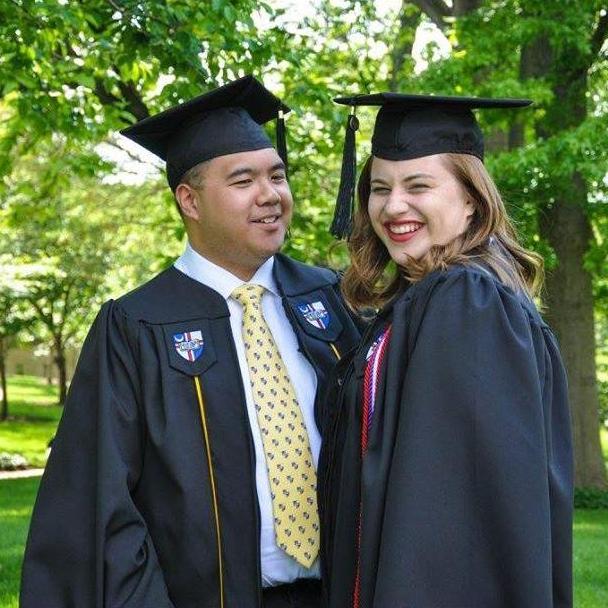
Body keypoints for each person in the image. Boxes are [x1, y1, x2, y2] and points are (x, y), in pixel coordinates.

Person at [20, 75, 361, 608]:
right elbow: (101, 506)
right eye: (243, 180)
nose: (271, 195)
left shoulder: (330, 300)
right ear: (190, 201)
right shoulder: (135, 328)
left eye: (277, 175)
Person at [318, 93, 573, 607]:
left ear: (471, 199)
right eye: (379, 188)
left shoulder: (467, 303)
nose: (393, 207)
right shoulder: (423, 302)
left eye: (419, 186)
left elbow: (451, 519)